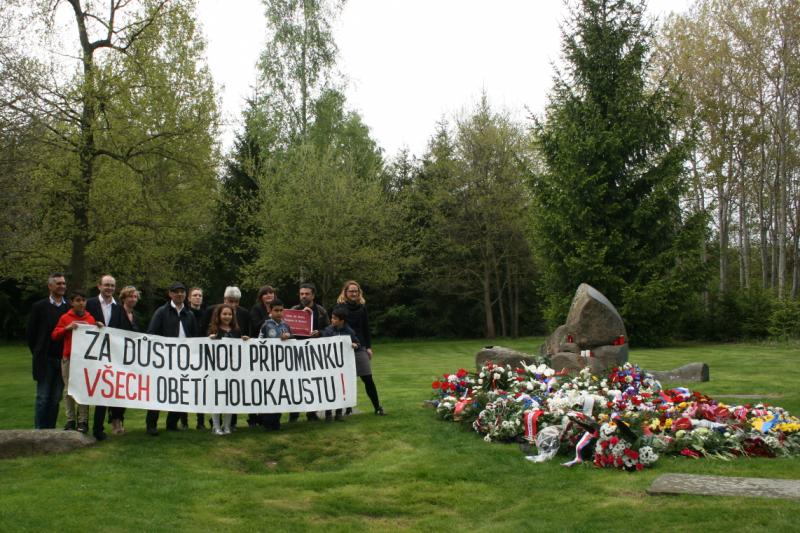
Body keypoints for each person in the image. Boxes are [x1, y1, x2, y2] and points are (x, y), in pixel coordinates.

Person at [145, 282, 199, 435]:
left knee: (180, 391)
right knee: (158, 392)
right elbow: (152, 333)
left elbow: (195, 337)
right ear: (170, 294)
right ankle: (151, 425)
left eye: (182, 292)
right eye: (176, 292)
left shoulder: (189, 314)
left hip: (184, 360)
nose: (180, 294)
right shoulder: (161, 312)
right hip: (164, 359)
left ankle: (171, 423)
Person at [92, 285, 140, 439]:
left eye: (135, 296)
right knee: (113, 391)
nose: (133, 299)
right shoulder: (117, 311)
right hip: (115, 358)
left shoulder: (135, 315)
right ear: (124, 298)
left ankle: (119, 420)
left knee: (124, 391)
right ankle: (114, 422)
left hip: (130, 360)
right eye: (130, 296)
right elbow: (111, 330)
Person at [51, 289, 98, 434]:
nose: (81, 303)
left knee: (83, 389)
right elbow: (54, 335)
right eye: (78, 300)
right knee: (69, 390)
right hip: (69, 358)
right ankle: (70, 419)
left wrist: (99, 326)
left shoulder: (90, 318)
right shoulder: (65, 317)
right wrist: (67, 328)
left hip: (84, 360)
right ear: (72, 302)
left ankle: (83, 420)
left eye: (83, 300)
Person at [27, 273, 70, 429]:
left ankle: (51, 430)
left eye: (64, 283)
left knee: (55, 398)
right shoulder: (39, 307)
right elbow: (31, 333)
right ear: (50, 286)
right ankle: (39, 431)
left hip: (62, 359)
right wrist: (38, 352)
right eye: (58, 283)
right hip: (45, 358)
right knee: (43, 397)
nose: (62, 286)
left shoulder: (68, 308)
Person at [336, 280, 385, 416]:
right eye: (351, 291)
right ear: (345, 292)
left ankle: (377, 407)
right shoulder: (339, 307)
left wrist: (368, 347)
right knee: (345, 380)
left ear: (359, 293)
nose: (353, 293)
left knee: (367, 378)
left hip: (360, 347)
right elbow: (336, 327)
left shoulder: (362, 307)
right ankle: (346, 408)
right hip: (344, 347)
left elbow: (365, 328)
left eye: (356, 291)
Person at [289, 282, 330, 422]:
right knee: (295, 383)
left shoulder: (321, 311)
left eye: (307, 294)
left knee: (312, 383)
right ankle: (293, 414)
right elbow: (287, 329)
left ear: (313, 295)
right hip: (296, 352)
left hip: (315, 353)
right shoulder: (293, 310)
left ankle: (312, 413)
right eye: (301, 294)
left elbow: (329, 330)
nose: (304, 296)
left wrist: (320, 333)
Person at [207, 303, 249, 435]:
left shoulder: (236, 330)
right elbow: (205, 348)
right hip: (217, 370)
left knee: (230, 398)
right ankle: (216, 426)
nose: (227, 316)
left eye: (229, 314)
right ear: (219, 315)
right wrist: (209, 340)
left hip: (232, 370)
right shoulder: (213, 330)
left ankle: (227, 426)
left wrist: (244, 340)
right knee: (217, 397)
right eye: (224, 314)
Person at [321, 305, 360, 422]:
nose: (332, 320)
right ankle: (328, 413)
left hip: (342, 368)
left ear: (342, 321)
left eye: (334, 318)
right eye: (331, 318)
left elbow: (357, 344)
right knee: (329, 389)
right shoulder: (328, 331)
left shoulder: (349, 332)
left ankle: (338, 413)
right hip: (329, 366)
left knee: (340, 389)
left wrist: (355, 345)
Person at [258, 299, 291, 430]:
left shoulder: (286, 326)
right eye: (276, 310)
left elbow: (292, 344)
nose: (278, 313)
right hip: (268, 366)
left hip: (282, 366)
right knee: (269, 392)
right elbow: (258, 343)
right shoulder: (265, 325)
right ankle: (267, 421)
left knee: (280, 392)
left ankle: (276, 420)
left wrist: (288, 337)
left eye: (281, 310)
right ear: (270, 311)